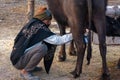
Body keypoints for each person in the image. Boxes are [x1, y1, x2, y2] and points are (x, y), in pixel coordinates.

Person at [10, 6, 73, 80]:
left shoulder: (32, 22)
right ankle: (25, 71)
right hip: (19, 61)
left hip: (15, 57)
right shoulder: (41, 29)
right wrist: (75, 34)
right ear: (43, 19)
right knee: (42, 48)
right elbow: (58, 40)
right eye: (48, 20)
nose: (49, 23)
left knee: (41, 44)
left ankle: (30, 65)